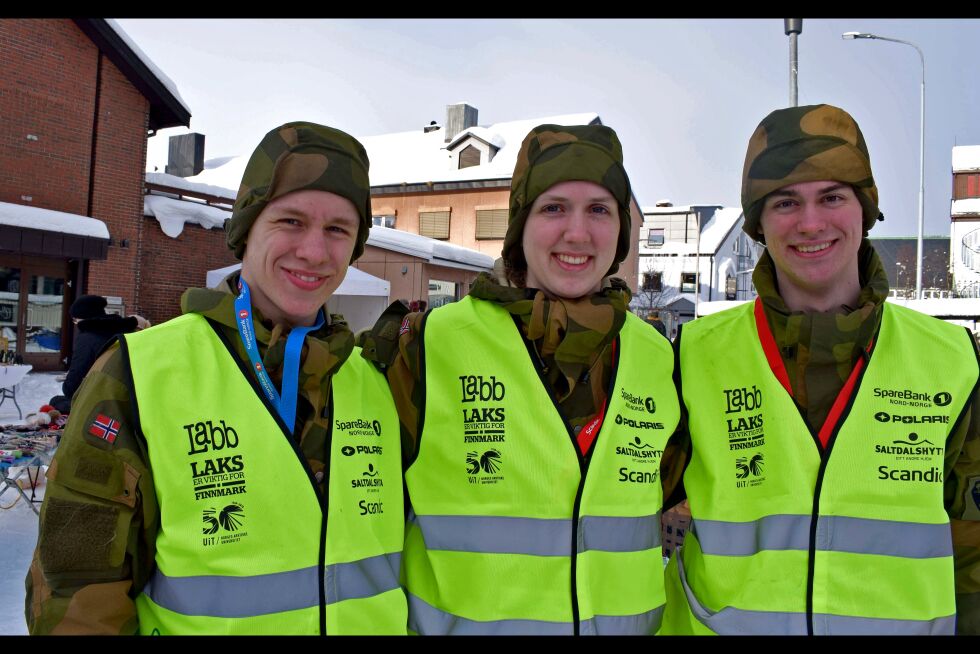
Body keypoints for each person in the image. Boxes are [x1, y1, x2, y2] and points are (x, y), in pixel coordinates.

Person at [26, 122, 406, 635]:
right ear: (246, 229)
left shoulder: (375, 382)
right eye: (290, 221)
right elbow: (75, 584)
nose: (315, 252)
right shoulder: (140, 372)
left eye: (338, 229)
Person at [660, 104, 980, 635]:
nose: (811, 223)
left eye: (832, 196)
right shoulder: (695, 355)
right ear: (759, 222)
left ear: (865, 210)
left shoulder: (951, 360)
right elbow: (601, 503)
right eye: (786, 202)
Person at [361, 124, 679, 634]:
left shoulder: (656, 357)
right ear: (519, 225)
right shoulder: (425, 347)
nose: (577, 233)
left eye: (599, 209)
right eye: (553, 208)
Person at [47, 295, 150, 415]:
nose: (75, 324)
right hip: (129, 397)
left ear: (83, 318)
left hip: (101, 400)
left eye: (75, 320)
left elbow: (72, 388)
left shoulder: (87, 338)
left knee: (56, 401)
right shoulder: (125, 330)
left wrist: (68, 382)